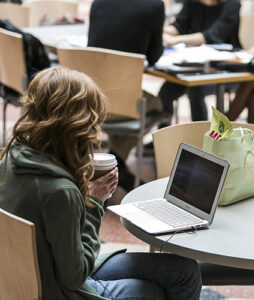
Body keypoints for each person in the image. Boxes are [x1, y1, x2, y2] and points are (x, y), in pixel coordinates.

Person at [0, 66, 202, 300]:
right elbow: (74, 277)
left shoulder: (12, 156)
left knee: (184, 269)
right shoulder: (59, 193)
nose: (96, 131)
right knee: (150, 292)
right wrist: (95, 203)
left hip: (28, 276)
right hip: (57, 289)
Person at [88, 0, 167, 192]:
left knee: (127, 103)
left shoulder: (98, 3)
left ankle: (116, 165)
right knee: (155, 103)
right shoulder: (154, 6)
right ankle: (118, 161)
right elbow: (154, 56)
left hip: (91, 101)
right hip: (122, 104)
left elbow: (92, 44)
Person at [159, 0, 241, 122]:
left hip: (223, 69)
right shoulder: (193, 2)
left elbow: (212, 35)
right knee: (165, 92)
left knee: (196, 90)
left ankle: (199, 136)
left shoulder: (232, 4)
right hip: (194, 66)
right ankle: (163, 137)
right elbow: (180, 26)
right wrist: (160, 28)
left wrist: (175, 40)